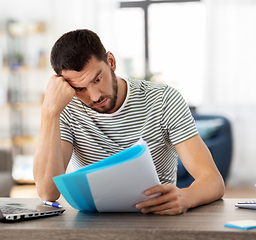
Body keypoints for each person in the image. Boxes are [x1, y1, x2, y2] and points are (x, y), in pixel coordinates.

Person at [33, 29, 225, 215]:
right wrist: (49, 112)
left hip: (157, 219)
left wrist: (187, 197)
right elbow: (47, 193)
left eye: (98, 79)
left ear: (111, 61)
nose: (95, 96)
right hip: (94, 224)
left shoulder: (164, 100)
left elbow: (213, 181)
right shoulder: (67, 110)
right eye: (79, 89)